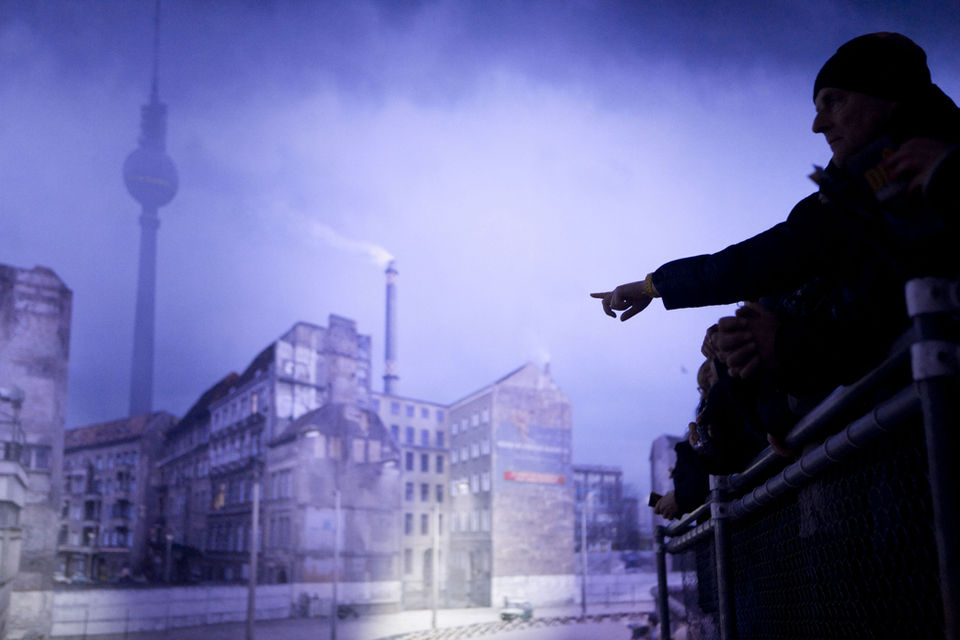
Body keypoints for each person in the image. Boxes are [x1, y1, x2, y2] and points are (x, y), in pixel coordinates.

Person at [592, 33, 960, 391]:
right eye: (818, 109)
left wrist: (784, 348)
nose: (818, 125)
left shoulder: (915, 182)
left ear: (889, 94)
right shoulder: (860, 190)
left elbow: (866, 311)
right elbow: (776, 259)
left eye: (835, 101)